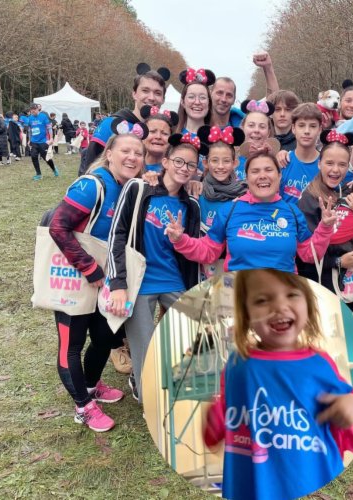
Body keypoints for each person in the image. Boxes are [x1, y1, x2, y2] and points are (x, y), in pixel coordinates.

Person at [203, 269, 353, 500]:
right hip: (250, 486)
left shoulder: (319, 365)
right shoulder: (236, 364)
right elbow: (221, 421)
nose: (280, 307)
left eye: (291, 294)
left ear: (308, 303)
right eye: (262, 300)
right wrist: (214, 418)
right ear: (246, 312)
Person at [48, 132, 146, 432]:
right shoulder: (91, 185)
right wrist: (89, 268)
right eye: (126, 151)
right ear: (110, 154)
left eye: (138, 153)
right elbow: (58, 226)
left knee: (104, 337)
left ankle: (91, 386)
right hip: (76, 277)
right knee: (72, 345)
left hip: (104, 279)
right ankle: (83, 407)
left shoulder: (129, 187)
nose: (132, 157)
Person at [107, 133, 201, 404]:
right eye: (179, 161)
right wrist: (118, 284)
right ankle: (148, 395)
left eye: (191, 165)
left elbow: (191, 252)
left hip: (174, 281)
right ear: (166, 162)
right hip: (141, 283)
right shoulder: (138, 189)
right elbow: (117, 235)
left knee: (193, 335)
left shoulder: (191, 205)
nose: (184, 168)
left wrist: (180, 239)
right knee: (145, 348)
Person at [165, 149, 337, 273]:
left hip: (283, 298)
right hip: (239, 296)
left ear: (279, 176)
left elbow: (309, 255)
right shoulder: (229, 211)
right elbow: (208, 251)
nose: (262, 176)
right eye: (255, 171)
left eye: (268, 170)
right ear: (247, 179)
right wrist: (180, 240)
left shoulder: (292, 212)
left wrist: (325, 228)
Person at [298, 130, 353, 347]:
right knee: (329, 343)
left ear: (348, 166)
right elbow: (306, 256)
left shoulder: (352, 193)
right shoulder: (308, 200)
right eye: (329, 163)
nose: (335, 170)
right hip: (323, 282)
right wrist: (337, 262)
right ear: (319, 163)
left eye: (342, 164)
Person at [82, 65, 168, 173]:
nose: (151, 97)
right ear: (134, 94)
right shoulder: (111, 124)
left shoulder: (165, 133)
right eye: (145, 91)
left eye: (157, 93)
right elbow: (90, 167)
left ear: (163, 99)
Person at [197, 124, 247, 277]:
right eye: (214, 160)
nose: (220, 166)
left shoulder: (244, 194)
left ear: (235, 163)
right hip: (202, 266)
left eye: (226, 161)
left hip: (233, 267)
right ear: (206, 163)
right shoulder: (197, 191)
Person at [210, 52, 278, 129]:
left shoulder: (245, 123)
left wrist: (268, 67)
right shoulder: (200, 121)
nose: (223, 99)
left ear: (234, 100)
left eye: (229, 95)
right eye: (219, 93)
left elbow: (272, 100)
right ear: (210, 94)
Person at [279, 103, 322, 204]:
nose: (307, 131)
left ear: (319, 129)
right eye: (301, 125)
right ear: (293, 128)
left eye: (312, 126)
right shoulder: (282, 161)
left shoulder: (325, 165)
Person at [25, 103, 59, 180]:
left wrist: (51, 138)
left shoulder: (43, 116)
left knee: (46, 158)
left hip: (43, 141)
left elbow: (49, 127)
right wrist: (29, 139)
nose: (33, 111)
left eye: (34, 109)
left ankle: (54, 169)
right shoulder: (30, 118)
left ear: (37, 109)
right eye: (31, 109)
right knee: (34, 157)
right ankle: (38, 174)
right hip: (34, 141)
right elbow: (30, 129)